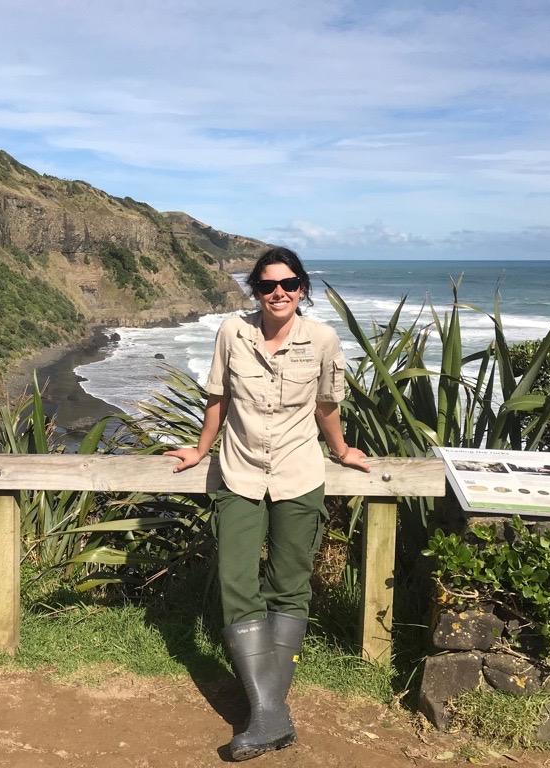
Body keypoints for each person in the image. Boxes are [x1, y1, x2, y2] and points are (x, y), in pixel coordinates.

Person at [165, 246, 370, 761]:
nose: (278, 292)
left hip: (299, 474)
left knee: (290, 585)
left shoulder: (322, 339)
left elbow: (326, 404)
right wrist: (200, 450)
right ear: (255, 291)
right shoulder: (232, 332)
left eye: (288, 283)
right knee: (236, 582)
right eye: (267, 285)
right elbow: (217, 398)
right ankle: (271, 715)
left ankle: (265, 716)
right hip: (240, 471)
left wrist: (342, 450)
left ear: (302, 288)